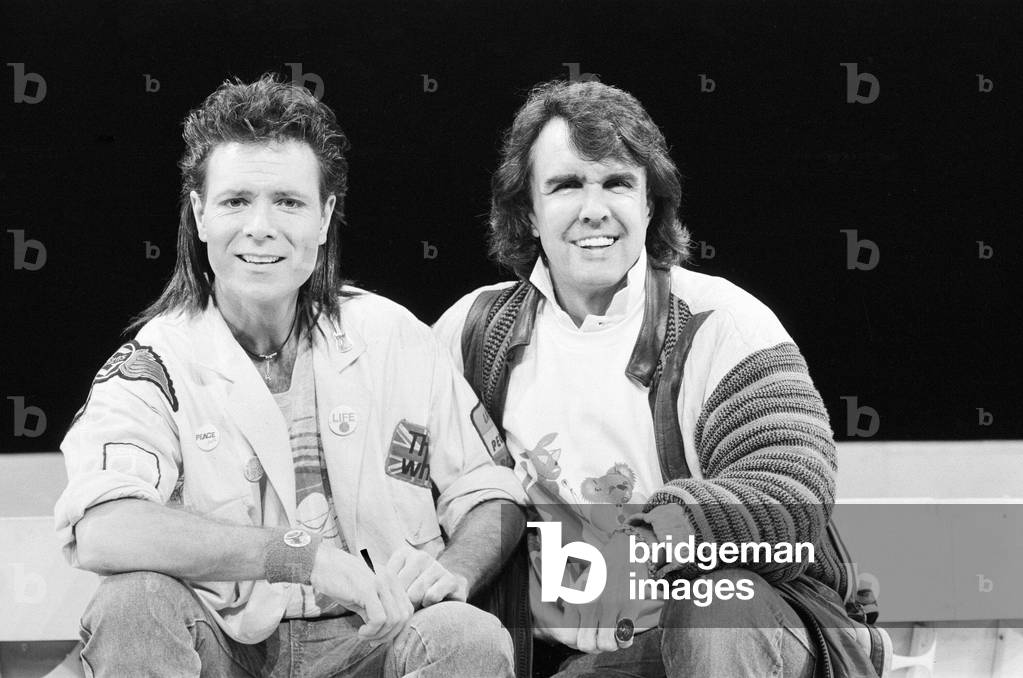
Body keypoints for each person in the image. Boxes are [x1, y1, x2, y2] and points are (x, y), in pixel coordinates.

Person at [55, 74, 525, 678]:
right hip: (228, 643)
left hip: (379, 637)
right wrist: (297, 556)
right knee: (131, 602)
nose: (260, 226)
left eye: (289, 201)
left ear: (325, 217)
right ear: (199, 215)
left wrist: (456, 568)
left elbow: (491, 491)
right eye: (235, 201)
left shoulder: (394, 336)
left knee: (465, 634)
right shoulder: (156, 363)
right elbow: (102, 530)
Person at [434, 80, 889, 677]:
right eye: (567, 184)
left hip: (740, 635)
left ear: (650, 205)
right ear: (527, 210)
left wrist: (650, 540)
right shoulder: (471, 333)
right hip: (570, 660)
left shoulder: (723, 322)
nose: (594, 208)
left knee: (720, 607)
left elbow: (791, 494)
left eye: (618, 183)